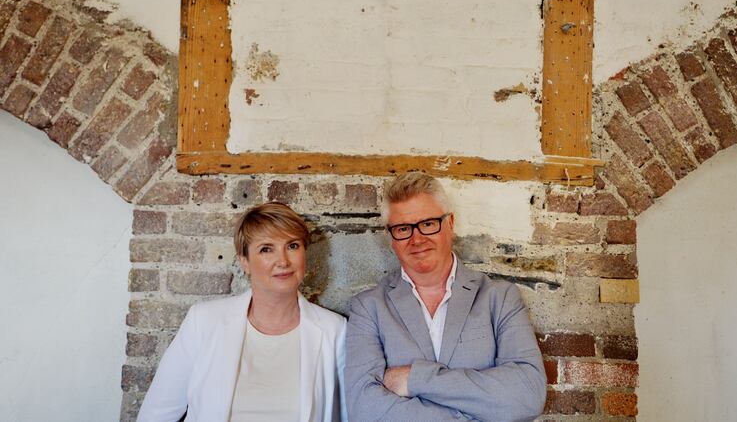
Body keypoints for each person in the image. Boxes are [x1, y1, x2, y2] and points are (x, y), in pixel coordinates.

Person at [344, 172, 547, 421]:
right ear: (390, 237)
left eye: (428, 223)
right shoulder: (369, 308)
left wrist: (415, 379)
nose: (417, 239)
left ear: (450, 223)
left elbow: (527, 395)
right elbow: (364, 411)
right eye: (403, 229)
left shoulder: (500, 298)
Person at [138, 203, 347, 422]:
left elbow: (352, 415)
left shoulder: (335, 331)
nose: (283, 261)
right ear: (244, 261)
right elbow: (155, 415)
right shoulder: (204, 322)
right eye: (266, 249)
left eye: (293, 246)